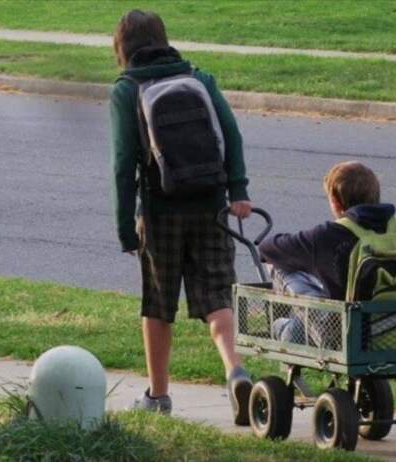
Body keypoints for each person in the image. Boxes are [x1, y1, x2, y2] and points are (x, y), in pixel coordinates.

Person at [109, 10, 252, 424]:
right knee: (217, 297)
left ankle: (158, 394)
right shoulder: (199, 78)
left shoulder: (126, 91)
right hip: (211, 204)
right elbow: (232, 134)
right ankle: (235, 371)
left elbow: (123, 165)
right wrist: (237, 190)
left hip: (159, 210)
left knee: (158, 304)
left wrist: (125, 229)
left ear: (122, 47)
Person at [259, 161, 396, 344]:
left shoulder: (329, 234)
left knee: (279, 265)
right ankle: (295, 327)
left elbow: (267, 248)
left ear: (335, 201)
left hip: (345, 338)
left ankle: (284, 330)